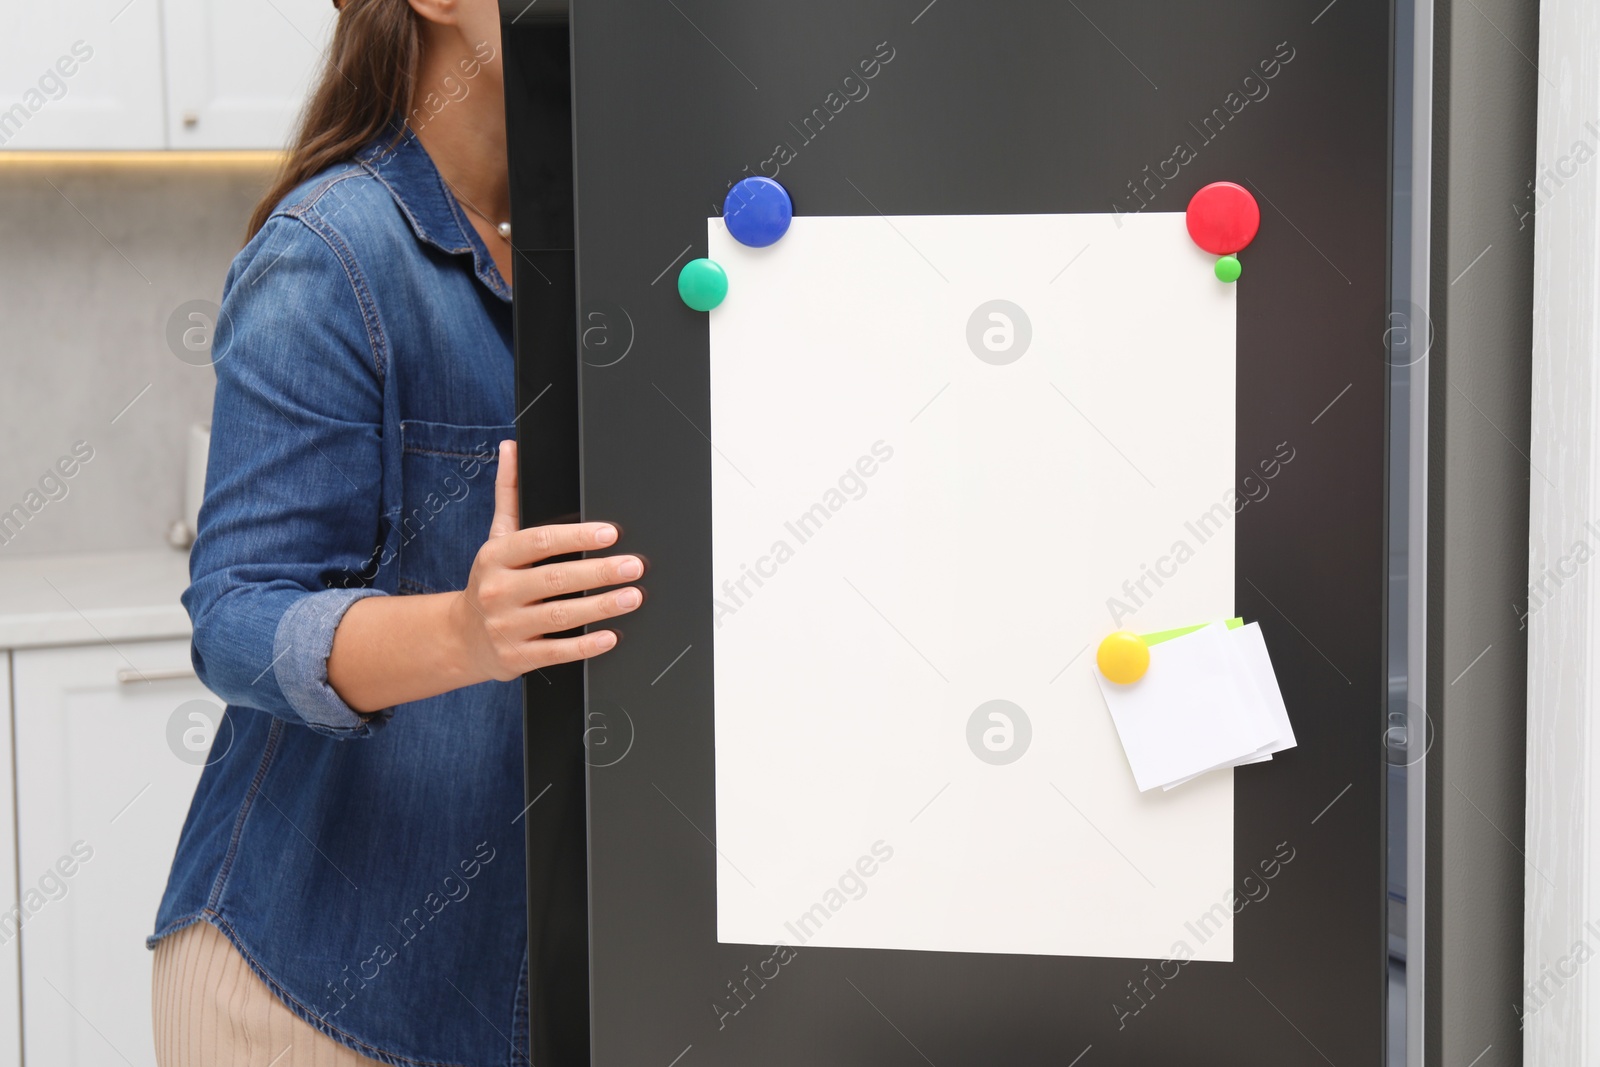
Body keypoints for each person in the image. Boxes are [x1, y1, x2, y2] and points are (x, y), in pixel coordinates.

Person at [146, 1, 641, 1063]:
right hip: (308, 989)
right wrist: (468, 629)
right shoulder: (331, 249)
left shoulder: (586, 254)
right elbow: (235, 619)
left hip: (494, 996)